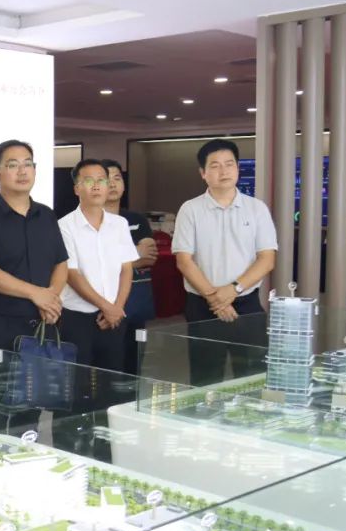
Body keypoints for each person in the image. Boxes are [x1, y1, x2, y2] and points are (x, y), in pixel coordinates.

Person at [173, 139, 277, 384]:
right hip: (203, 304)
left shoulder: (256, 208)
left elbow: (267, 259)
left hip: (246, 303)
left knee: (252, 376)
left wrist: (234, 289)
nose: (224, 171)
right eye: (215, 165)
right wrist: (214, 298)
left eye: (230, 164)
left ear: (238, 169)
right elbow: (184, 261)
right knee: (205, 376)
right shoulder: (190, 209)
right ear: (203, 173)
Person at [0, 139, 68, 351]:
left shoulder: (46, 215)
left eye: (28, 164)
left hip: (46, 323)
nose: (22, 171)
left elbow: (60, 262)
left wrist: (51, 299)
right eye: (12, 165)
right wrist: (36, 294)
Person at [58, 159, 139, 379]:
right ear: (77, 188)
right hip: (77, 317)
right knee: (77, 382)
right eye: (88, 181)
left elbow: (126, 268)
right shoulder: (64, 226)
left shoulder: (119, 224)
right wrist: (107, 307)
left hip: (114, 315)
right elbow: (72, 274)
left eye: (102, 180)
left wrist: (117, 307)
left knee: (112, 379)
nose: (96, 186)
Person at [102, 159, 157, 375]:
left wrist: (110, 258)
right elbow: (92, 262)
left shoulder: (136, 219)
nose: (112, 184)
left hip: (134, 301)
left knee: (133, 361)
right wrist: (134, 254)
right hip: (102, 302)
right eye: (106, 179)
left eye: (117, 178)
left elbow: (149, 257)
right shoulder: (90, 219)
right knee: (107, 363)